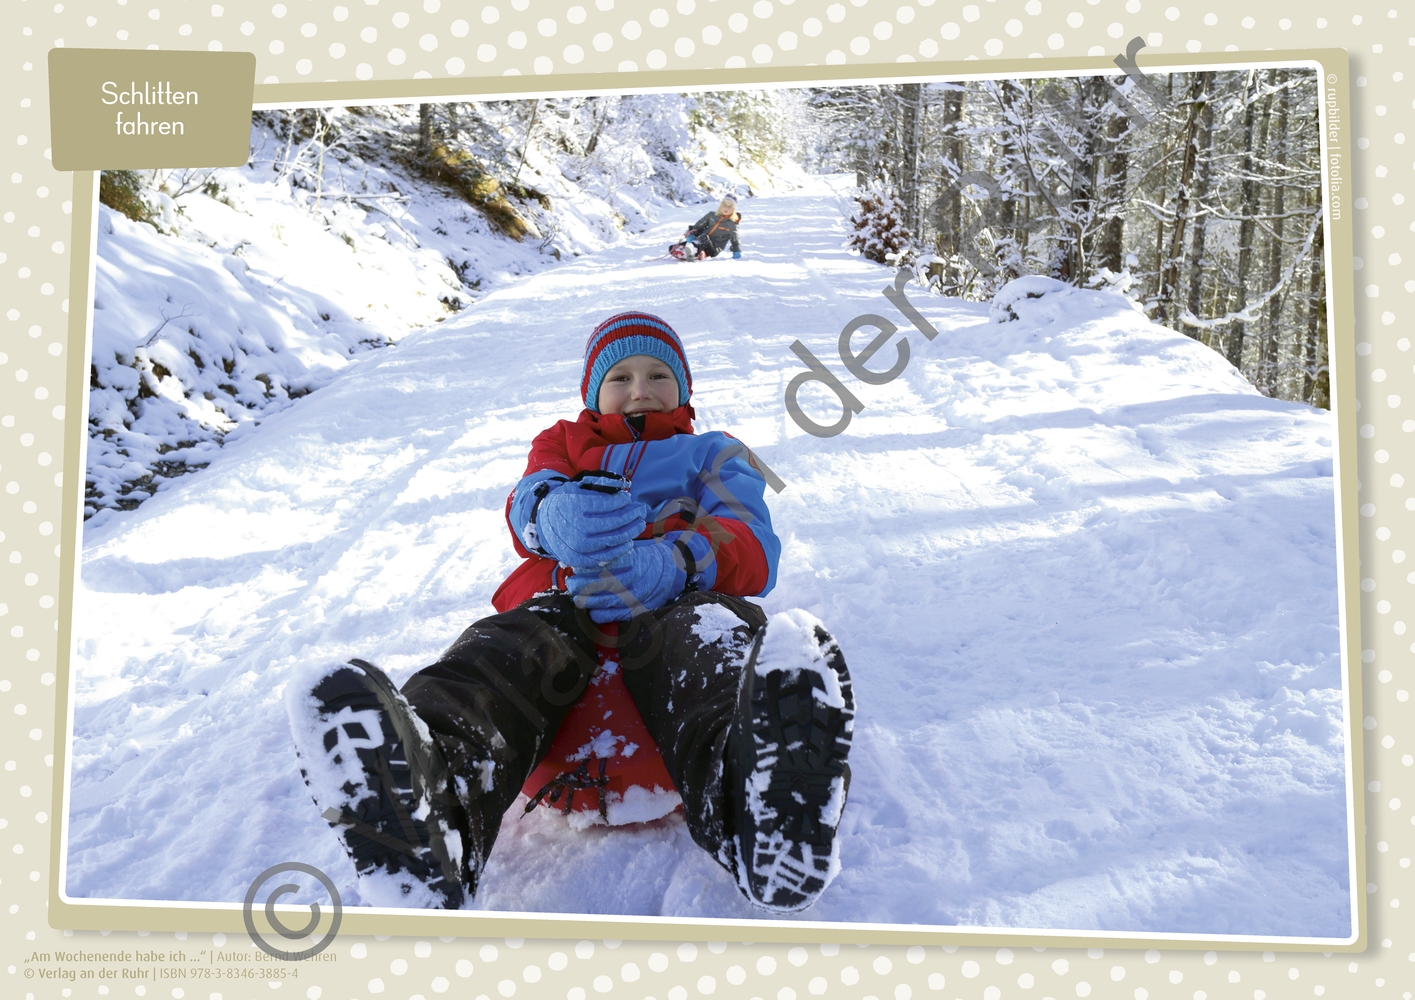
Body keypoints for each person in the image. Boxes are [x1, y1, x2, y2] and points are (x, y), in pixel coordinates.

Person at [286, 311, 854, 914]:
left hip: (675, 600)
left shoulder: (715, 453)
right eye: (621, 376)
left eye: (659, 374)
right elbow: (527, 503)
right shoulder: (562, 442)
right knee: (502, 652)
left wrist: (679, 560)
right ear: (593, 392)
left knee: (711, 644)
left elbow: (752, 541)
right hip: (569, 599)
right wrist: (553, 519)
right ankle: (433, 801)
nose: (640, 388)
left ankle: (758, 802)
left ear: (684, 391)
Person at [681, 195, 743, 260]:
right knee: (673, 247)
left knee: (703, 238)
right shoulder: (711, 215)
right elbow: (699, 225)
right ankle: (687, 250)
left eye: (730, 206)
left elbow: (735, 239)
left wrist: (737, 251)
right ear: (721, 205)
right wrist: (691, 232)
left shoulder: (732, 224)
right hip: (699, 240)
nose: (726, 208)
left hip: (713, 249)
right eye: (724, 204)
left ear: (733, 209)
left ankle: (695, 252)